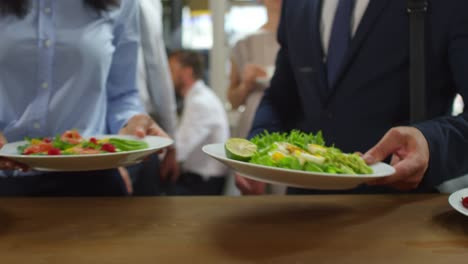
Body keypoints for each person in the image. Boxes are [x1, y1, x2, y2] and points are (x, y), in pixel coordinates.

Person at [236, 0, 468, 195]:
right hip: (301, 211)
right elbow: (281, 98)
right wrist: (254, 151)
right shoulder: (297, 5)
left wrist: (430, 144)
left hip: (398, 214)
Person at [0, 0, 177, 196]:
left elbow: (122, 94)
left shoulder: (123, 3)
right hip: (6, 178)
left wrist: (130, 121)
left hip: (92, 180)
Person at [119, 0, 179, 196]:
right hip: (135, 133)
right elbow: (157, 68)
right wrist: (171, 139)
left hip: (88, 136)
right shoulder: (145, 3)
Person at [227, 0, 285, 195]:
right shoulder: (245, 42)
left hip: (288, 116)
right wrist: (246, 85)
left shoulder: (301, 39)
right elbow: (233, 100)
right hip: (253, 118)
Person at [168, 50, 230, 195]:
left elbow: (180, 148)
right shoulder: (198, 97)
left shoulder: (200, 102)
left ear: (187, 72)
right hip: (199, 178)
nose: (167, 77)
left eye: (171, 70)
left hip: (204, 182)